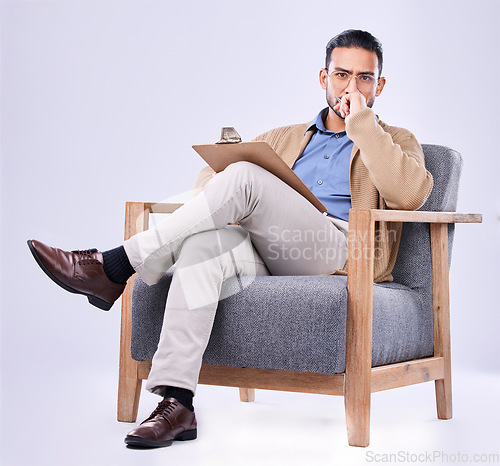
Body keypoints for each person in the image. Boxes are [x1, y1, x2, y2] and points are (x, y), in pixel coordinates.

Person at [28, 29, 433, 449]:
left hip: (340, 251)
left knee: (242, 179)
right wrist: (234, 184)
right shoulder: (286, 136)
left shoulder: (396, 140)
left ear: (379, 85)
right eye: (342, 75)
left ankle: (113, 265)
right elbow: (212, 179)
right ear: (322, 78)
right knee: (203, 248)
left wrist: (362, 124)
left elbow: (411, 193)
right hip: (269, 248)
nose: (351, 86)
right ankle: (177, 403)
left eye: (364, 78)